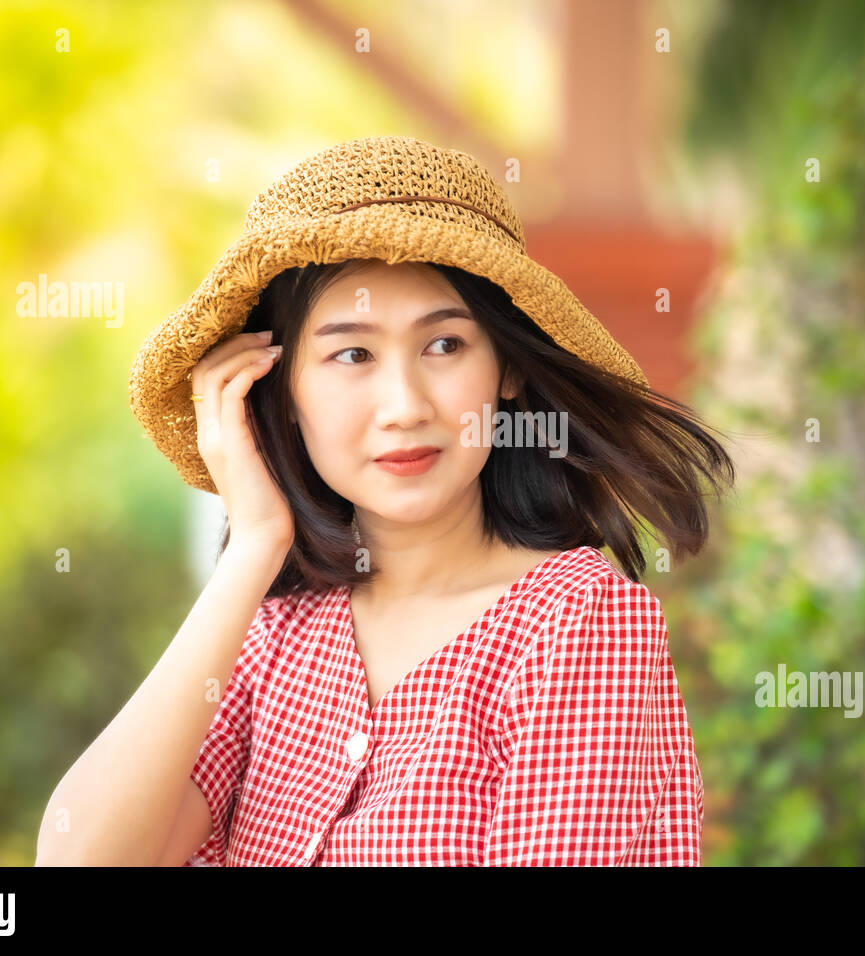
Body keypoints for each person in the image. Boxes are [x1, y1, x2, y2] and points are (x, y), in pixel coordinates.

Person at [36, 135, 735, 866]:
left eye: (444, 346)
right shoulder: (271, 638)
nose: (404, 406)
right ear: (282, 393)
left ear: (508, 370)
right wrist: (251, 546)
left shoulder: (578, 623)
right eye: (352, 354)